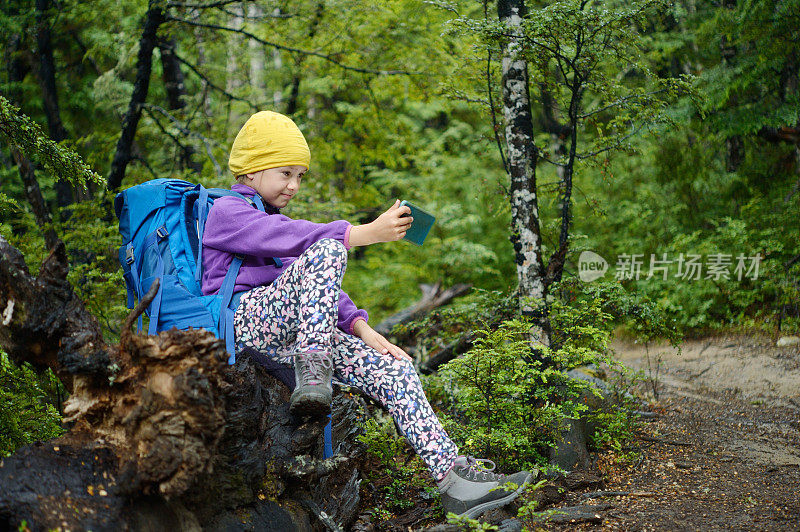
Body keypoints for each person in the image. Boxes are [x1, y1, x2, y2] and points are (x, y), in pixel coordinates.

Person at [201, 110, 534, 518]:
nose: (294, 184)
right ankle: (314, 372)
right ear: (251, 171)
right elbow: (296, 241)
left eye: (301, 175)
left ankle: (453, 479)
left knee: (393, 368)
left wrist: (363, 329)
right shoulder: (227, 212)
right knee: (326, 247)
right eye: (285, 172)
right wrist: (361, 233)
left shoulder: (271, 217)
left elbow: (306, 278)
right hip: (244, 325)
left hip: (290, 333)